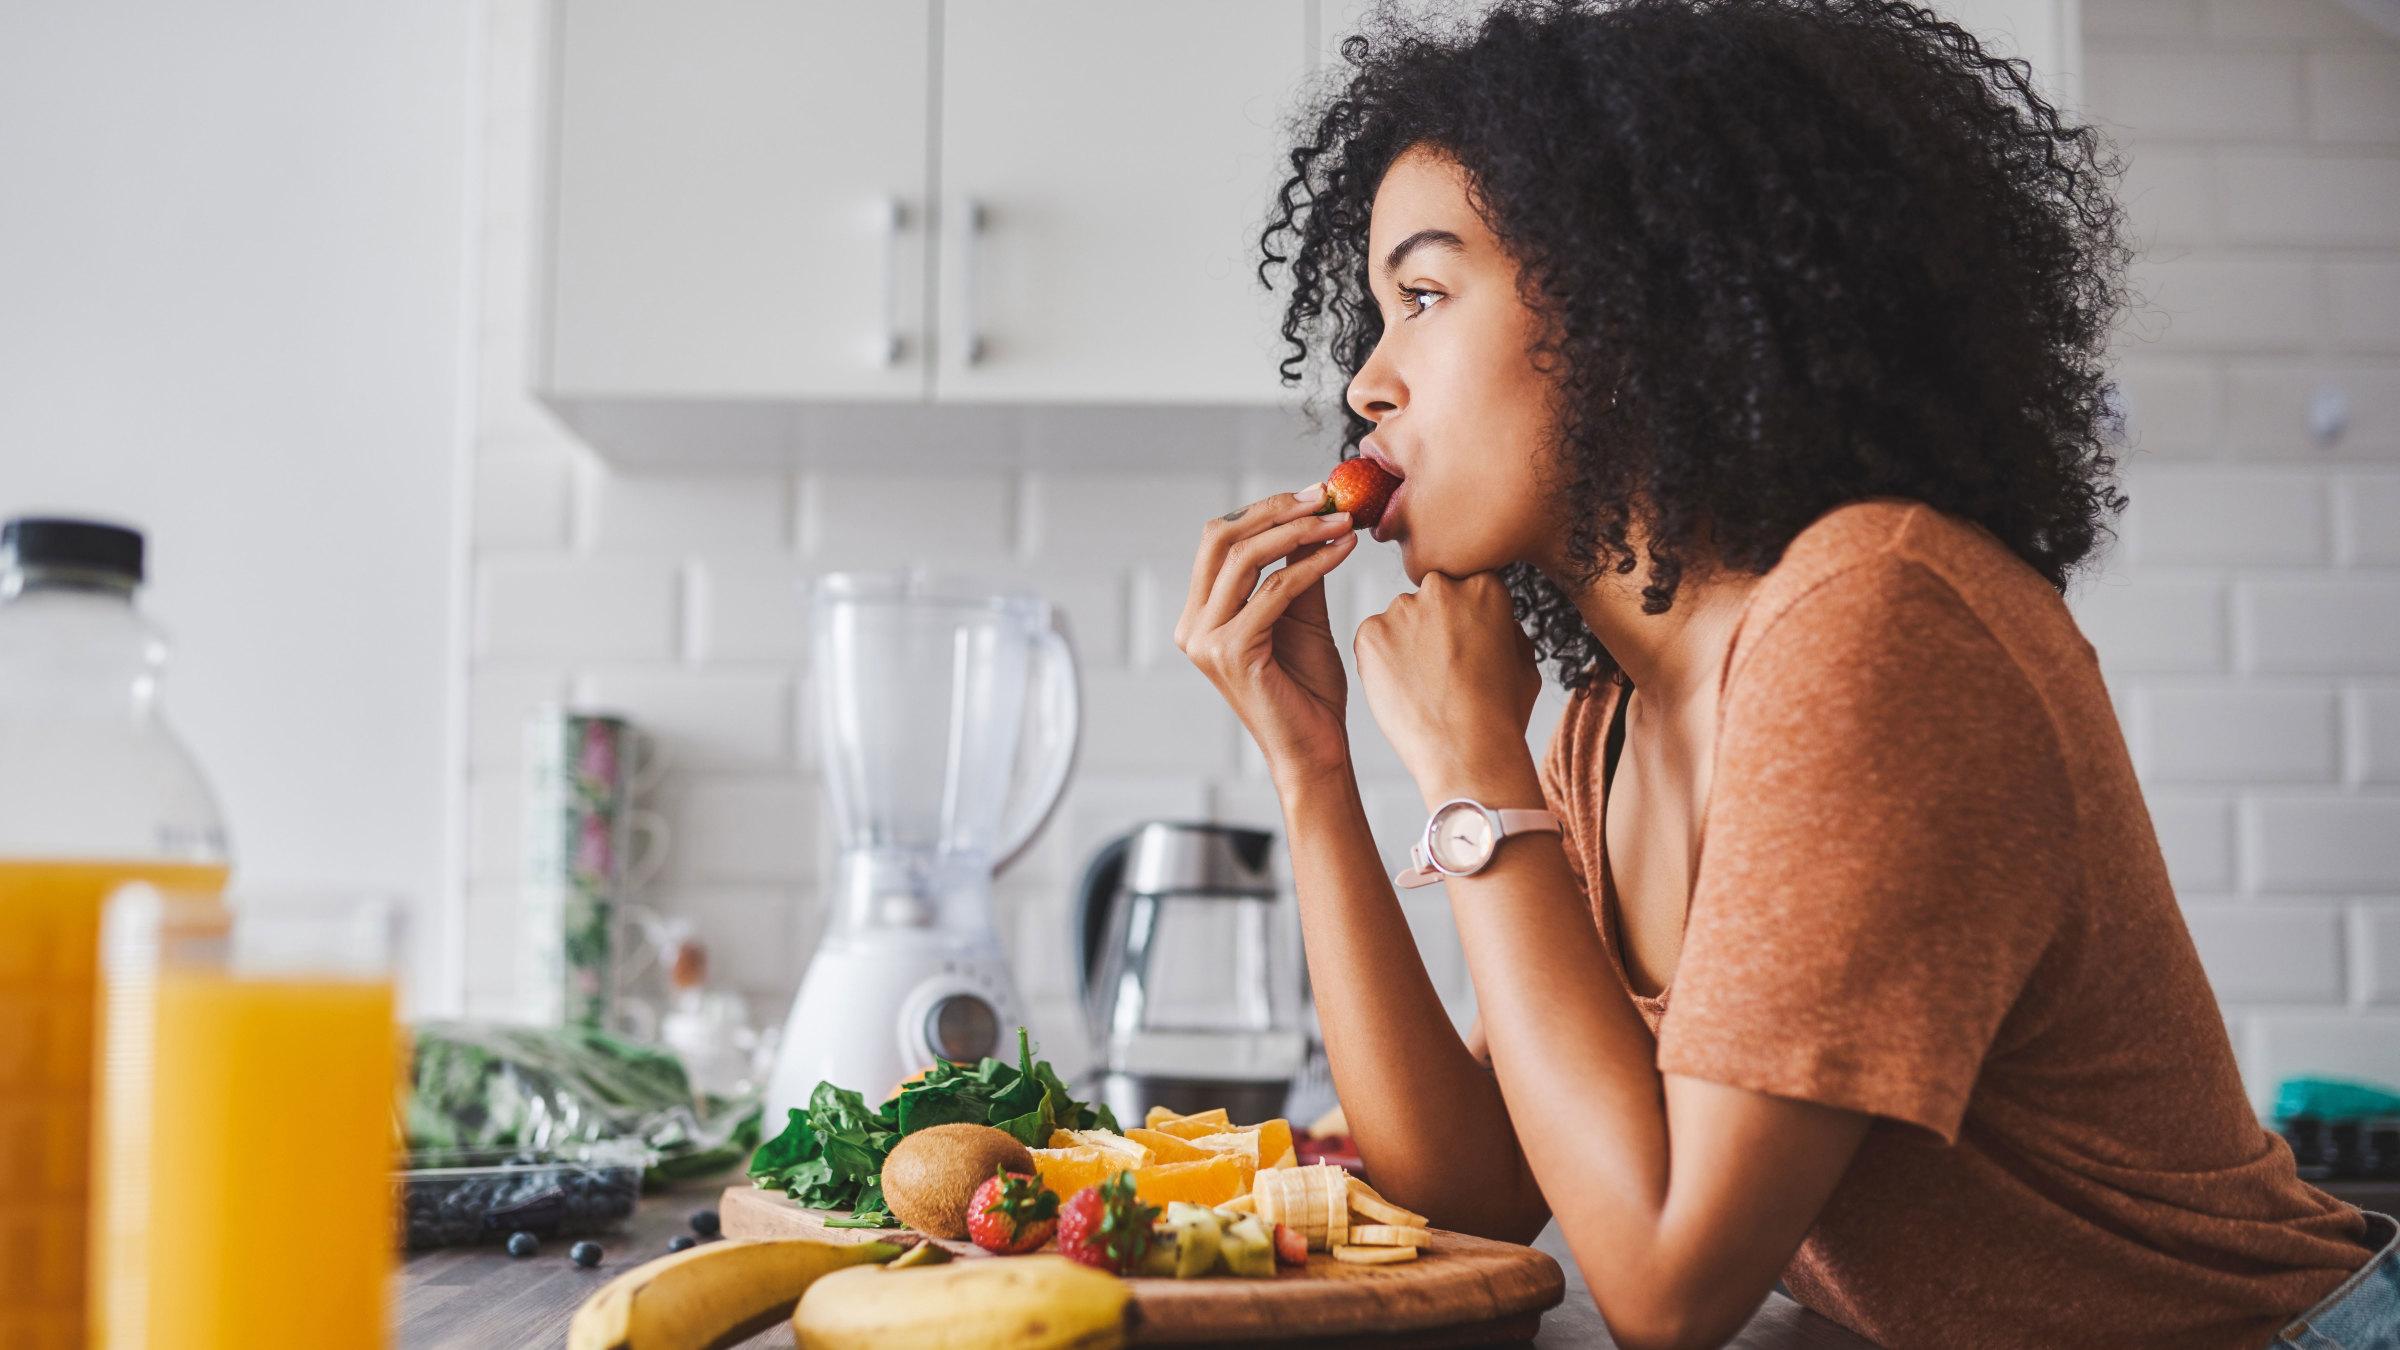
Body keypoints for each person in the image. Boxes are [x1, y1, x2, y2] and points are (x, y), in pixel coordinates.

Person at [1173, 2, 2397, 1346]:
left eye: (1423, 295)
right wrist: (1313, 767)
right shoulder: (1607, 722)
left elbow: (1666, 1284)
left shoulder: (1874, 620)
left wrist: (1474, 775)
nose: (1365, 380)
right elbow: (1471, 1189)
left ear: (1626, 299)